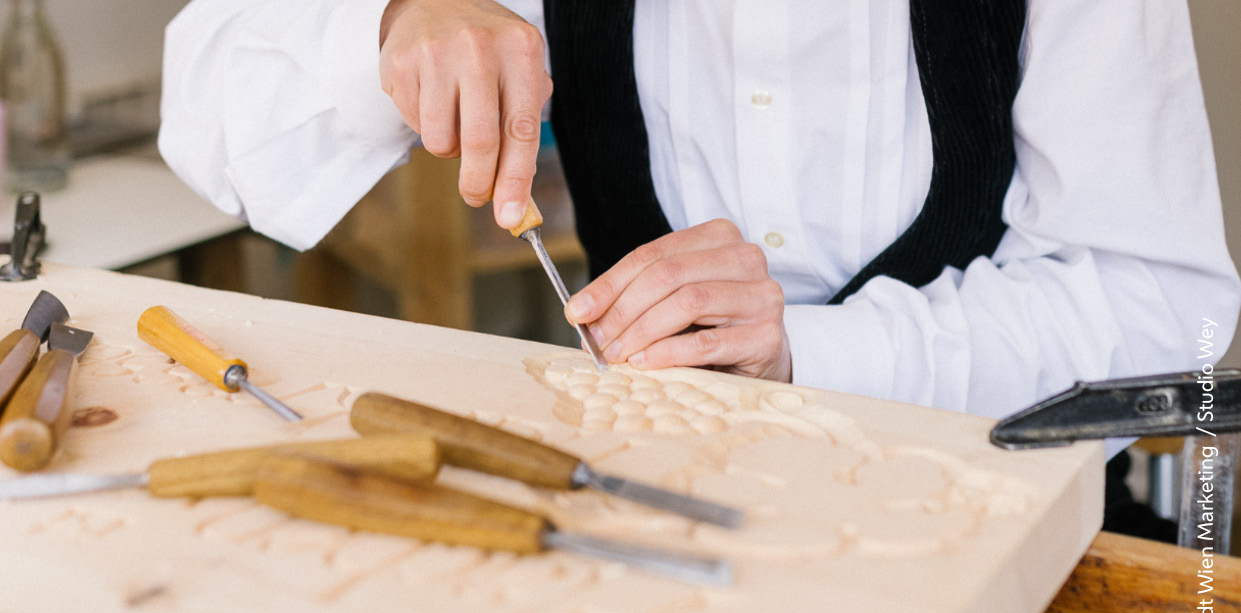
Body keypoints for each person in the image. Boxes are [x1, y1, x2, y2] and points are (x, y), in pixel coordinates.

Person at [159, 0, 1240, 432]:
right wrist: (391, 21)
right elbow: (207, 109)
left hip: (1012, 562)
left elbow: (1164, 310)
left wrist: (807, 353)